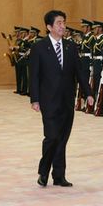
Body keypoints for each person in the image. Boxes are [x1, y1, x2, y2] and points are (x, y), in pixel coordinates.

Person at [29, 10, 94, 187]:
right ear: (49, 27)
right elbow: (33, 75)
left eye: (63, 22)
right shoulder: (39, 47)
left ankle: (59, 175)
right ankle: (43, 171)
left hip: (67, 100)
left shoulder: (70, 47)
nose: (62, 26)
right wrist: (34, 99)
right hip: (48, 100)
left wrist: (88, 93)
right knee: (52, 136)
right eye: (58, 23)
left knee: (63, 138)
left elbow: (79, 72)